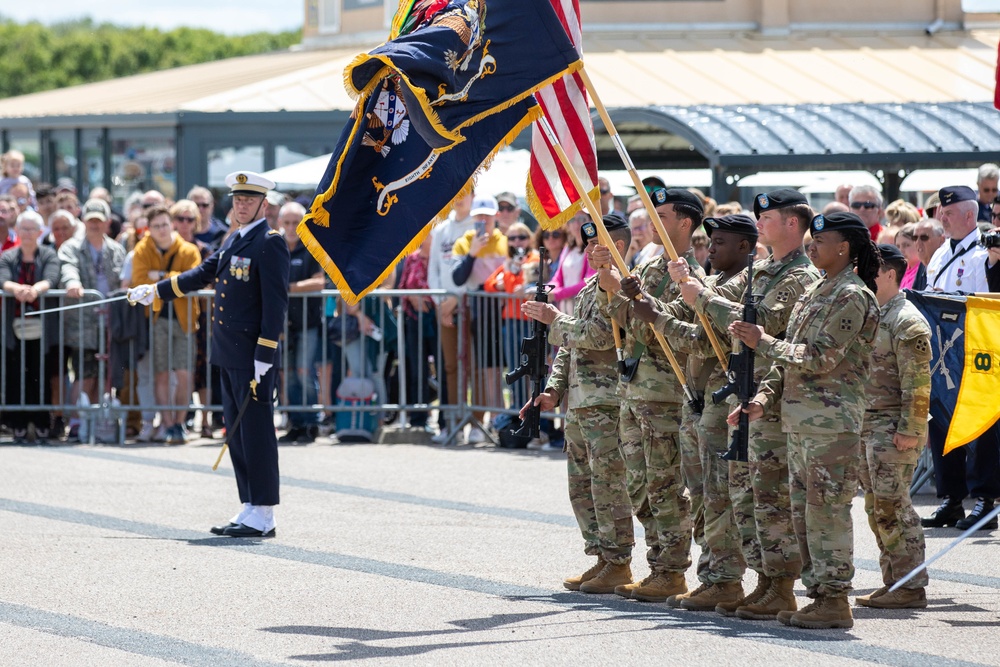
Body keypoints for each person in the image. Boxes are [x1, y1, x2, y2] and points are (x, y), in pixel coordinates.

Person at [670, 189, 821, 620]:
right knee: (742, 495)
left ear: (792, 223)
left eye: (768, 216)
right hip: (745, 394)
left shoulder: (798, 277)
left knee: (768, 497)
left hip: (770, 397)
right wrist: (694, 292)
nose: (760, 223)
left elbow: (761, 323)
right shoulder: (764, 270)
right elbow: (728, 314)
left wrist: (702, 296)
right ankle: (757, 581)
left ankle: (779, 585)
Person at [728, 210, 880, 630]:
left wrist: (764, 341)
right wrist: (762, 398)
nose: (811, 246)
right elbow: (789, 360)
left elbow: (819, 357)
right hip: (799, 421)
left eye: (819, 240)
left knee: (826, 511)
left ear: (844, 247)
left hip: (831, 426)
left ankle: (834, 598)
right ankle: (815, 594)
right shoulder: (816, 290)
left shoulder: (853, 295)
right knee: (802, 513)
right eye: (810, 240)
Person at [127, 171, 290, 538]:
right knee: (236, 431)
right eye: (237, 199)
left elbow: (276, 305)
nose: (242, 205)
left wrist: (266, 352)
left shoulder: (270, 242)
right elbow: (202, 273)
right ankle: (250, 504)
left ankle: (264, 511)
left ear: (264, 204)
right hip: (228, 351)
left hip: (252, 355)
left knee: (257, 431)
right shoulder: (235, 239)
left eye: (249, 200)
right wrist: (155, 291)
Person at [626, 213, 761, 612]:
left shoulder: (737, 287)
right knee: (702, 493)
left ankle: (724, 578)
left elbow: (703, 339)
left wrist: (658, 317)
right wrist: (643, 302)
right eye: (711, 240)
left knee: (720, 494)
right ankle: (712, 574)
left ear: (743, 247)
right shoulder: (713, 284)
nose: (711, 248)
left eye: (720, 242)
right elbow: (682, 317)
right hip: (698, 399)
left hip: (723, 401)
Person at [592, 187, 705, 603]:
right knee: (640, 483)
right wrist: (610, 288)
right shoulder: (652, 265)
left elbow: (666, 324)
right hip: (637, 387)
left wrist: (625, 296)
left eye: (663, 214)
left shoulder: (688, 273)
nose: (653, 220)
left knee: (664, 482)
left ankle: (671, 569)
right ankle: (658, 561)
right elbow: (624, 320)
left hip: (664, 391)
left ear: (685, 223)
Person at [520, 212, 635, 594]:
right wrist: (553, 389)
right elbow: (570, 347)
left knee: (607, 484)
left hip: (608, 400)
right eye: (586, 244)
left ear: (617, 247)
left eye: (595, 245)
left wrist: (554, 318)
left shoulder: (621, 287)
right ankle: (602, 556)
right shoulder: (589, 288)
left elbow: (601, 337)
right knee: (581, 485)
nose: (587, 251)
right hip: (583, 401)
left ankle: (619, 561)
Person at [920, 186, 1000, 531]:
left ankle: (985, 498)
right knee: (941, 418)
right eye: (941, 211)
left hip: (977, 348)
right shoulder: (940, 253)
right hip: (944, 350)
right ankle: (950, 498)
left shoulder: (985, 252)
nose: (942, 217)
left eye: (949, 213)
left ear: (970, 216)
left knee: (983, 424)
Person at [856, 243, 931, 610]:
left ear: (890, 273)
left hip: (894, 427)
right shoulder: (873, 313)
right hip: (869, 424)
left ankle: (911, 584)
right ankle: (894, 580)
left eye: (872, 268)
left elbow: (918, 384)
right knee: (875, 508)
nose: (864, 274)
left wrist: (910, 429)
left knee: (894, 506)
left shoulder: (906, 320)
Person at [131, 205, 202, 445]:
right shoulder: (142, 249)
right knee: (161, 373)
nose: (162, 229)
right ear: (149, 229)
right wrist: (174, 277)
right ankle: (168, 424)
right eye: (156, 226)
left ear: (171, 224)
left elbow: (191, 279)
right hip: (157, 319)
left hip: (184, 320)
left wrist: (159, 276)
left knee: (184, 374)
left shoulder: (189, 249)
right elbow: (139, 281)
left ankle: (180, 423)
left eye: (165, 224)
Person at [58, 198, 127, 442]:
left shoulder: (116, 249)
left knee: (104, 376)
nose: (95, 225)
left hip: (110, 323)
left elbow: (124, 279)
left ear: (108, 222)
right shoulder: (71, 247)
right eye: (90, 221)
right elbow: (67, 267)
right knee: (84, 374)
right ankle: (77, 422)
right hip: (81, 324)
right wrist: (72, 283)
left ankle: (96, 422)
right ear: (84, 222)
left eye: (99, 220)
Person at [0, 210, 60, 443]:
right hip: (13, 328)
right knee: (15, 375)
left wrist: (36, 289)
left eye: (31, 229)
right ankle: (19, 425)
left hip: (42, 329)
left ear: (39, 232)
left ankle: (43, 423)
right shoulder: (7, 256)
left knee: (40, 373)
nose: (26, 233)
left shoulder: (48, 254)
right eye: (22, 228)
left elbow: (52, 276)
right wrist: (18, 289)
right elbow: (2, 277)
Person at [452, 194, 507, 442]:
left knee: (500, 367)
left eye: (487, 215)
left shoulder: (505, 242)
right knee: (482, 367)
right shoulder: (464, 242)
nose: (483, 220)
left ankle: (501, 419)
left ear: (495, 217)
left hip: (505, 310)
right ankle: (484, 421)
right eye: (479, 216)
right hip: (478, 310)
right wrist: (473, 253)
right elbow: (457, 278)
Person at [426, 191, 476, 443]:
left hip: (471, 303)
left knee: (473, 364)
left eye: (466, 193)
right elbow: (433, 269)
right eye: (457, 192)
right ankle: (450, 423)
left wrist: (457, 298)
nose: (460, 197)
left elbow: (479, 270)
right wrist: (440, 302)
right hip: (443, 306)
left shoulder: (477, 226)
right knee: (448, 366)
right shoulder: (441, 230)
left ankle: (476, 422)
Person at [279, 201, 325, 444]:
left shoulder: (311, 247)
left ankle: (311, 422)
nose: (290, 227)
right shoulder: (276, 247)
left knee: (305, 372)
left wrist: (289, 288)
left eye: (295, 222)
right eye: (286, 222)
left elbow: (320, 281)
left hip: (307, 322)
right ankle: (295, 423)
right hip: (283, 324)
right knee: (288, 375)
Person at [484, 221, 538, 425]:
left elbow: (518, 287)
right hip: (511, 322)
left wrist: (506, 281)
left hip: (531, 322)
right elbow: (489, 284)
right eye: (512, 238)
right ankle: (517, 413)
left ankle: (537, 415)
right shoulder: (509, 261)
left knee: (534, 370)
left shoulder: (534, 259)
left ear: (529, 239)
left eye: (521, 237)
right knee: (515, 369)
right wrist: (506, 281)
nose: (517, 242)